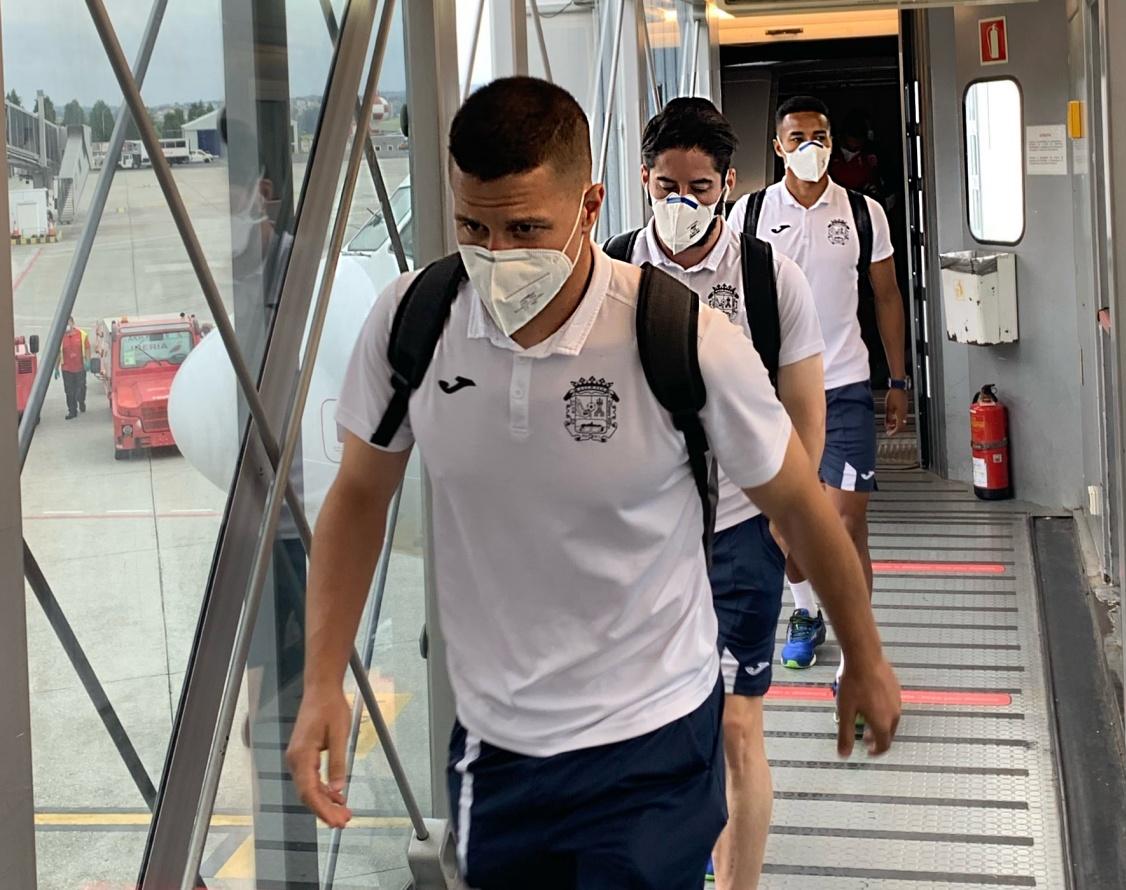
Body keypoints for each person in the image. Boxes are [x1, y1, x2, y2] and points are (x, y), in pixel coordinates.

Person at [287, 77, 901, 890]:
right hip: (497, 747)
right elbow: (360, 494)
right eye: (474, 226)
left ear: (589, 204)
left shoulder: (680, 337)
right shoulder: (416, 324)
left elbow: (796, 494)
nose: (497, 257)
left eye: (525, 228)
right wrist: (323, 678)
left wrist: (863, 653)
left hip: (649, 741)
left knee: (734, 741)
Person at [608, 97, 826, 890]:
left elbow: (806, 412)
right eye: (666, 184)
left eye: (699, 187)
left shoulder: (772, 281)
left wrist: (789, 520)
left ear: (730, 184)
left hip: (739, 532)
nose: (681, 203)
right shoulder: (610, 274)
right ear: (643, 180)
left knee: (737, 728)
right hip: (640, 538)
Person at [728, 96, 911, 679]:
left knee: (845, 521)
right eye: (798, 136)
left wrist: (899, 380)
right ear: (778, 146)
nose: (811, 146)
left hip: (847, 385)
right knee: (786, 525)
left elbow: (885, 296)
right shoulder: (749, 214)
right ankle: (805, 612)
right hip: (774, 392)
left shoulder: (862, 212)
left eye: (820, 135)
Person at [59, 317, 90, 419]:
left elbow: (87, 348)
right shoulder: (59, 337)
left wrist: (87, 361)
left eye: (69, 323)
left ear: (73, 323)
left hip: (80, 367)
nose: (67, 325)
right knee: (69, 391)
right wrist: (55, 368)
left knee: (81, 387)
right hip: (67, 368)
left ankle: (81, 401)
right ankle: (72, 411)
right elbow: (57, 353)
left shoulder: (82, 334)